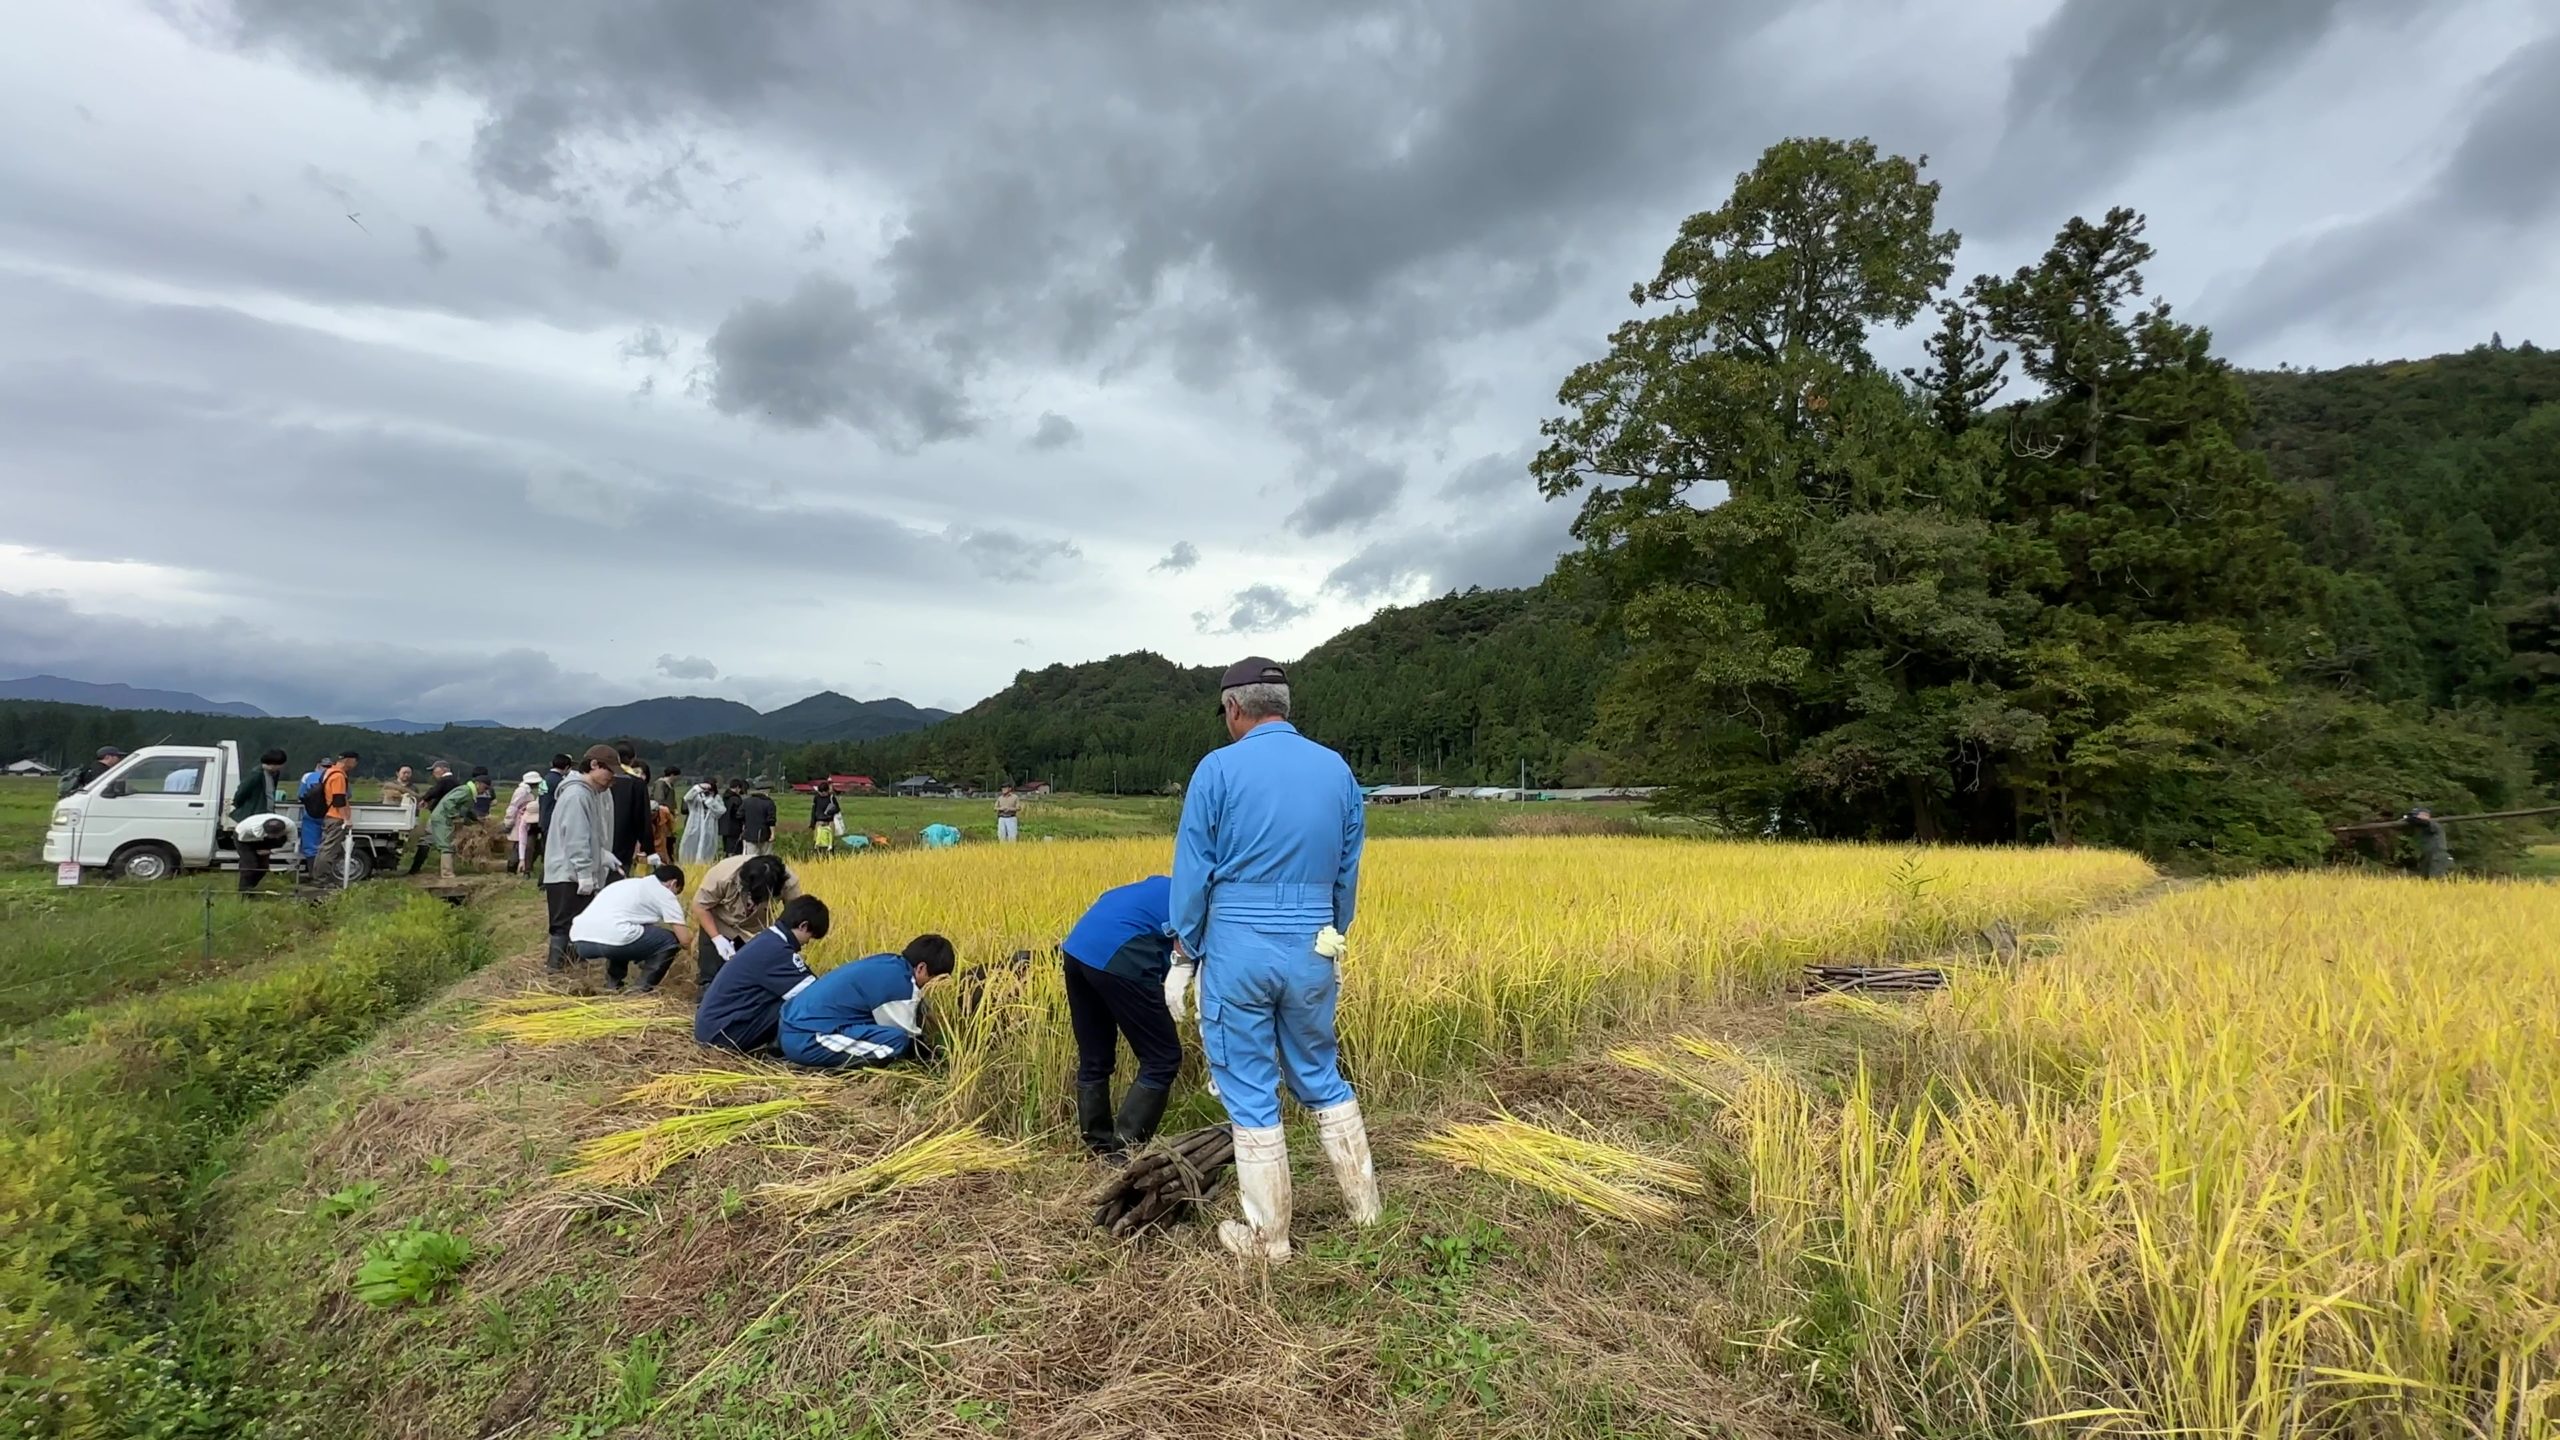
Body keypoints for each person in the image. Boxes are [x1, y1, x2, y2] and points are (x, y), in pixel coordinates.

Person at [1171, 657, 1377, 1261]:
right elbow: (1347, 870)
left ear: (1235, 708)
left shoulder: (1218, 769)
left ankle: (1268, 1238)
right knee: (1320, 1070)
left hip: (1239, 942)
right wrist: (1333, 935)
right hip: (1314, 941)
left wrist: (1186, 949)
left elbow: (1193, 871)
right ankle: (1366, 1212)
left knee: (1249, 1084)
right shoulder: (1335, 769)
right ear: (1285, 707)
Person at [1061, 875, 1184, 1156]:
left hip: (1076, 947)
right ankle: (1124, 1154)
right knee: (1162, 1057)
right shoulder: (1207, 904)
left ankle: (1097, 1148)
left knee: (1094, 1056)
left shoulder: (1163, 884)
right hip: (1121, 951)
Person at [780, 934, 955, 1068]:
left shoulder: (889, 963)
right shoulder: (900, 985)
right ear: (922, 968)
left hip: (791, 1025)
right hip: (806, 1039)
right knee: (896, 1042)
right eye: (935, 979)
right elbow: (910, 1037)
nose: (934, 985)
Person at [694, 896, 830, 1053]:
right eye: (810, 938)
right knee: (797, 1005)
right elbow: (814, 995)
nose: (806, 943)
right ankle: (790, 1049)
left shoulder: (768, 940)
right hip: (722, 1036)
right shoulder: (776, 950)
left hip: (713, 1027)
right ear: (803, 926)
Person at [542, 745, 622, 971]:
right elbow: (576, 837)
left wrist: (602, 855)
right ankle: (556, 972)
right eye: (610, 771)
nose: (611, 778)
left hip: (573, 872)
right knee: (564, 926)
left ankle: (572, 970)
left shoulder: (587, 793)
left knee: (577, 926)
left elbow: (589, 835)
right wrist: (585, 872)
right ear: (594, 765)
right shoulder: (577, 794)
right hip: (568, 874)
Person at [569, 865, 692, 992]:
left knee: (627, 933)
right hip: (614, 938)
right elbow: (685, 940)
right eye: (676, 892)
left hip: (580, 940)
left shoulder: (627, 884)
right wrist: (692, 955)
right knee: (670, 940)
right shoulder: (664, 892)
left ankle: (613, 985)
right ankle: (640, 991)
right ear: (673, 883)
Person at [689, 853, 805, 985]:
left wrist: (782, 945)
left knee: (748, 977)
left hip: (756, 931)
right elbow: (700, 905)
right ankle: (706, 991)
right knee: (711, 974)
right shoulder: (722, 875)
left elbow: (794, 916)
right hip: (721, 923)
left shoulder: (788, 882)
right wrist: (717, 938)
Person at [229, 748, 291, 892]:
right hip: (253, 819)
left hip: (267, 817)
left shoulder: (274, 774)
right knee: (250, 860)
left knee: (262, 863)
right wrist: (243, 809)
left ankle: (251, 887)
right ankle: (245, 890)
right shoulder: (256, 775)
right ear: (273, 763)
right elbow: (240, 794)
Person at [309, 751, 362, 891]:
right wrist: (346, 818)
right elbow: (338, 800)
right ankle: (321, 880)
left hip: (328, 815)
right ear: (349, 760)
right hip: (335, 817)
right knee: (329, 850)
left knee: (324, 848)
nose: (355, 765)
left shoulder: (329, 772)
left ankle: (318, 876)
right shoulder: (338, 776)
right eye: (355, 762)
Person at [428, 770, 488, 881]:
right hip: (443, 818)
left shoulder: (468, 792)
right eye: (484, 788)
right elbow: (448, 803)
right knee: (447, 845)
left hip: (445, 817)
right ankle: (447, 874)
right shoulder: (465, 791)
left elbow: (466, 809)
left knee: (447, 844)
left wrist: (476, 819)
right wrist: (455, 816)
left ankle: (446, 870)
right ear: (478, 784)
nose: (484, 791)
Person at [406, 762, 458, 875]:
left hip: (439, 817)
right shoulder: (456, 782)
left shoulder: (445, 781)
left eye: (435, 770)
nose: (433, 773)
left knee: (426, 840)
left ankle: (415, 869)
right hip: (450, 816)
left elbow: (434, 792)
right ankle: (449, 868)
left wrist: (424, 799)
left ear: (443, 769)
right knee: (448, 842)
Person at [608, 741, 651, 873]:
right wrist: (648, 848)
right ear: (633, 759)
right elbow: (642, 818)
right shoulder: (636, 783)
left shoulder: (604, 778)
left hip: (602, 838)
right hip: (624, 839)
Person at [531, 751, 573, 877]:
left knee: (547, 851)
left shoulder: (545, 779)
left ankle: (544, 878)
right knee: (553, 852)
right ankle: (545, 879)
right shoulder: (560, 782)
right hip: (553, 821)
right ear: (566, 767)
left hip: (543, 818)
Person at [503, 770, 544, 874]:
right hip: (519, 821)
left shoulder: (528, 791)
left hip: (527, 819)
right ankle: (512, 868)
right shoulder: (521, 791)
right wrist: (508, 821)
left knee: (524, 844)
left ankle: (520, 867)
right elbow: (513, 806)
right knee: (518, 845)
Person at [296, 754, 330, 874]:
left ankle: (313, 873)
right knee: (328, 846)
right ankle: (324, 873)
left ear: (318, 766)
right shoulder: (338, 775)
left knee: (310, 846)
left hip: (311, 815)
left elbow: (301, 795)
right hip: (330, 815)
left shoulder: (308, 776)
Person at [680, 780, 726, 863]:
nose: (707, 792)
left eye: (710, 790)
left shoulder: (717, 798)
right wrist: (698, 788)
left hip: (709, 829)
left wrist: (709, 800)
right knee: (690, 847)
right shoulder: (696, 797)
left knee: (706, 849)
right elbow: (687, 798)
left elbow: (721, 811)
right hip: (694, 827)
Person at [2405, 807, 2454, 879]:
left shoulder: (2434, 824)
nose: (2414, 817)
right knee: (2424, 881)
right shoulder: (2421, 828)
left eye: (2415, 815)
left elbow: (2421, 822)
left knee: (2436, 881)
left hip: (2438, 856)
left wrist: (2410, 819)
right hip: (2426, 856)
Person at [61, 745, 127, 796]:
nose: (119, 759)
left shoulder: (94, 766)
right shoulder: (100, 770)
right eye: (118, 756)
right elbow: (105, 788)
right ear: (108, 757)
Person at [738, 784, 779, 858]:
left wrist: (744, 825)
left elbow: (739, 816)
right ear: (766, 792)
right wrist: (772, 834)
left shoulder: (746, 801)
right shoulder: (769, 803)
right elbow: (771, 820)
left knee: (750, 857)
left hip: (749, 834)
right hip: (765, 834)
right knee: (766, 857)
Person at [719, 779, 749, 857]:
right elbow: (739, 814)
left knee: (727, 848)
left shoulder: (724, 798)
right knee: (735, 849)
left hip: (724, 828)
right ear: (737, 787)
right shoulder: (736, 799)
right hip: (734, 828)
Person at [810, 781, 840, 853]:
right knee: (817, 840)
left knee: (830, 841)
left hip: (829, 822)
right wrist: (812, 823)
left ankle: (830, 854)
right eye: (820, 792)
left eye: (823, 792)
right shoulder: (816, 798)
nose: (822, 794)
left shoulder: (831, 798)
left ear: (827, 791)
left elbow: (837, 809)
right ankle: (816, 855)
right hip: (819, 822)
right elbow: (814, 810)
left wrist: (830, 811)